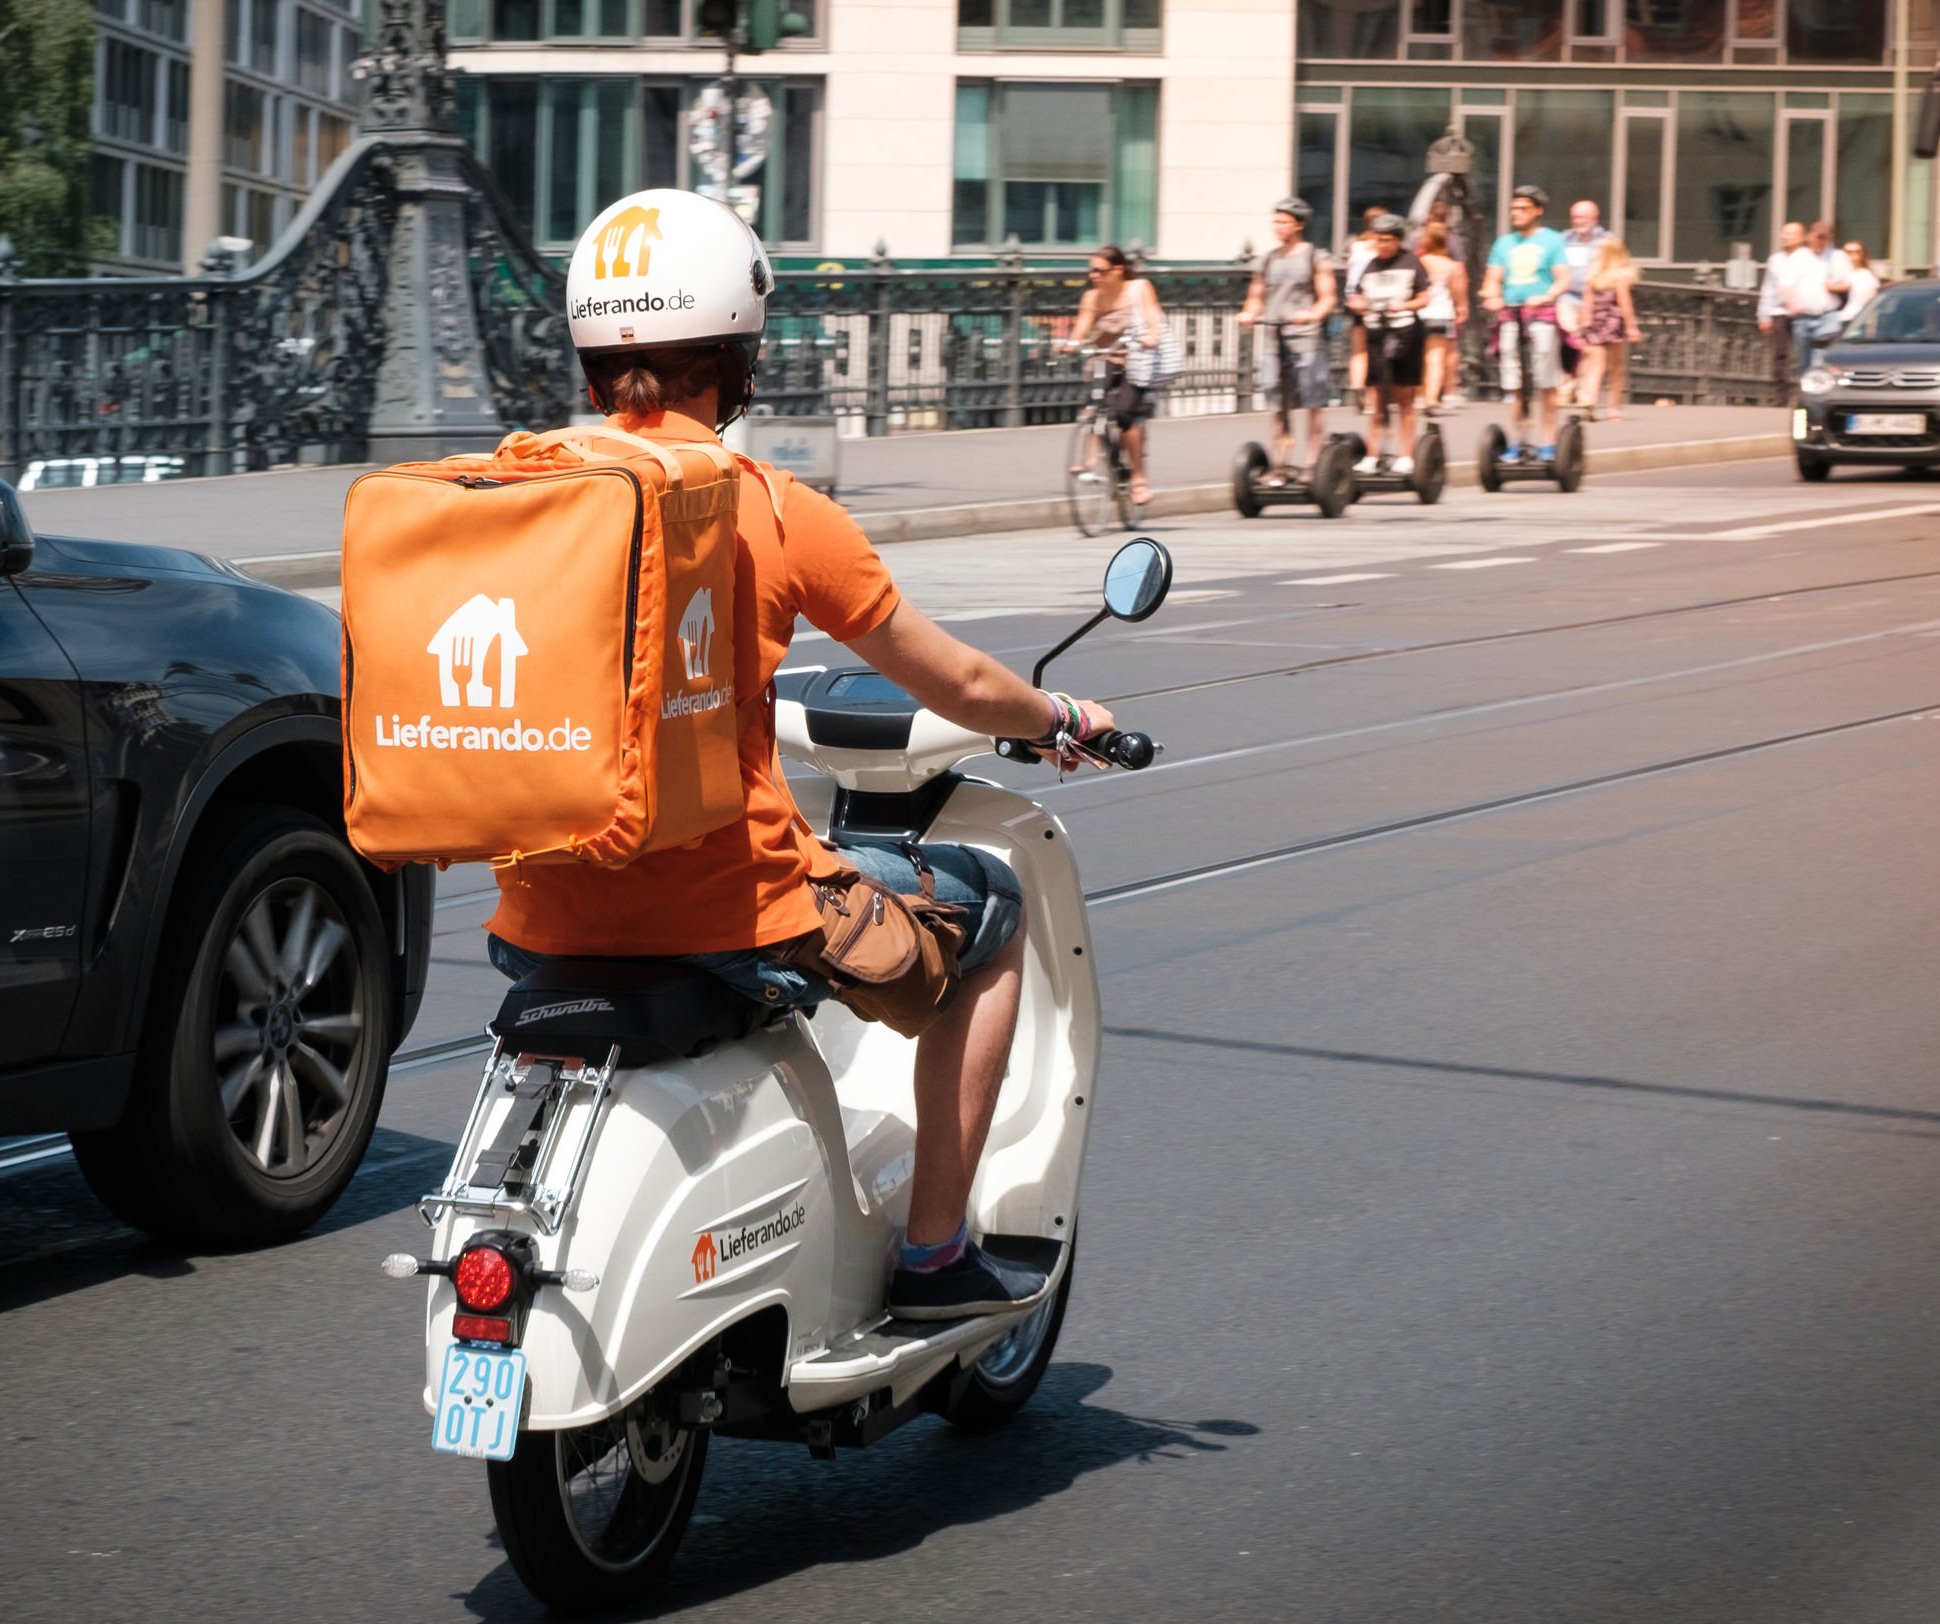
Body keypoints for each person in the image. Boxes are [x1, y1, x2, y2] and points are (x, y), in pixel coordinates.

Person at [500, 188, 1124, 1319]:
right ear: (739, 353)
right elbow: (961, 685)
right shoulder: (774, 512)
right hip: (733, 907)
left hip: (540, 914)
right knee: (988, 916)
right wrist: (1063, 718)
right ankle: (935, 1253)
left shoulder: (522, 490)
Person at [1238, 196, 1339, 484]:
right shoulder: (1268, 259)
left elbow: (1327, 297)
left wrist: (1312, 314)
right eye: (1275, 221)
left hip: (1305, 339)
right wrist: (1247, 314)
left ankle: (1311, 463)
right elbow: (1256, 297)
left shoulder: (1315, 257)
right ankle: (1280, 464)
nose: (1277, 226)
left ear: (1299, 225)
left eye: (1283, 222)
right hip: (1274, 337)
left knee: (1312, 401)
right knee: (1277, 403)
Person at [1059, 244, 1164, 505]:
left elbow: (1152, 318)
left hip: (1135, 358)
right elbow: (1082, 328)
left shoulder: (1139, 288)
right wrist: (1070, 344)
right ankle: (1089, 462)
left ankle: (1139, 479)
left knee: (1127, 414)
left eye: (1100, 271)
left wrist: (1151, 335)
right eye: (1091, 271)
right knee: (1093, 402)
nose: (1094, 276)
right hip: (1105, 356)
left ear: (1118, 270)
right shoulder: (1092, 298)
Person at [1480, 183, 1571, 462]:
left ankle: (1548, 442)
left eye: (1522, 209)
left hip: (1540, 319)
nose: (1516, 213)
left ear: (1538, 211)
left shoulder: (1553, 241)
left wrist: (1547, 296)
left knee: (1545, 383)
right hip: (1511, 317)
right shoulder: (1504, 244)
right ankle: (1518, 440)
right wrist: (1491, 297)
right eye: (1513, 209)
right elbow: (1492, 280)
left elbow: (1563, 279)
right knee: (1515, 384)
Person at [1346, 212, 1432, 472]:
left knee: (1404, 397)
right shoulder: (1370, 265)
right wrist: (1357, 304)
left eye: (1386, 240)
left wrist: (1403, 305)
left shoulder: (1411, 262)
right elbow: (1356, 297)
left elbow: (1424, 297)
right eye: (1378, 239)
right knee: (1378, 399)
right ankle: (1373, 455)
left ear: (1397, 240)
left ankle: (1406, 455)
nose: (1381, 245)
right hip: (1376, 334)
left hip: (1405, 333)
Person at [1572, 234, 1643, 420]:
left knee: (1596, 365)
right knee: (1616, 368)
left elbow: (1586, 304)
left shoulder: (1593, 277)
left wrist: (1583, 327)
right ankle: (1614, 409)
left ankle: (1590, 400)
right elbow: (1625, 304)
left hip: (1595, 324)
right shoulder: (1620, 277)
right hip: (1613, 325)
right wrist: (1632, 327)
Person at [1756, 221, 1839, 376]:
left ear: (1803, 237)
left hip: (1804, 312)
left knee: (1808, 354)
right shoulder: (1776, 259)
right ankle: (1780, 395)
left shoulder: (1811, 256)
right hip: (1779, 310)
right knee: (1781, 353)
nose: (1785, 237)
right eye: (1784, 233)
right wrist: (1763, 315)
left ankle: (1803, 388)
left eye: (1791, 234)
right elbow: (1769, 287)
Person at [1417, 219, 1472, 413]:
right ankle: (1432, 398)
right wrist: (1462, 308)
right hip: (1440, 313)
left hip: (1418, 313)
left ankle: (1420, 395)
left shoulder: (1418, 262)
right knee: (1436, 358)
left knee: (1419, 358)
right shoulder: (1452, 266)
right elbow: (1458, 292)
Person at [1346, 206, 1389, 407]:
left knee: (1358, 349)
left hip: (1354, 298)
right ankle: (1373, 396)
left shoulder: (1356, 246)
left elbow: (1350, 273)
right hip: (1375, 300)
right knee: (1376, 350)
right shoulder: (1381, 248)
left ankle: (1357, 384)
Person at [1557, 198, 1609, 340]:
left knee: (1592, 342)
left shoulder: (1608, 241)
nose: (1578, 221)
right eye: (1575, 217)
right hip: (1568, 299)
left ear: (1595, 218)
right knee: (1571, 336)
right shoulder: (1563, 239)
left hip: (1597, 301)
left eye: (1582, 217)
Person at [1839, 240, 1883, 326]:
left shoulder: (1866, 277)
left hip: (1853, 320)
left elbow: (1872, 306)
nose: (1853, 255)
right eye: (1849, 252)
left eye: (1857, 252)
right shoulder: (1838, 274)